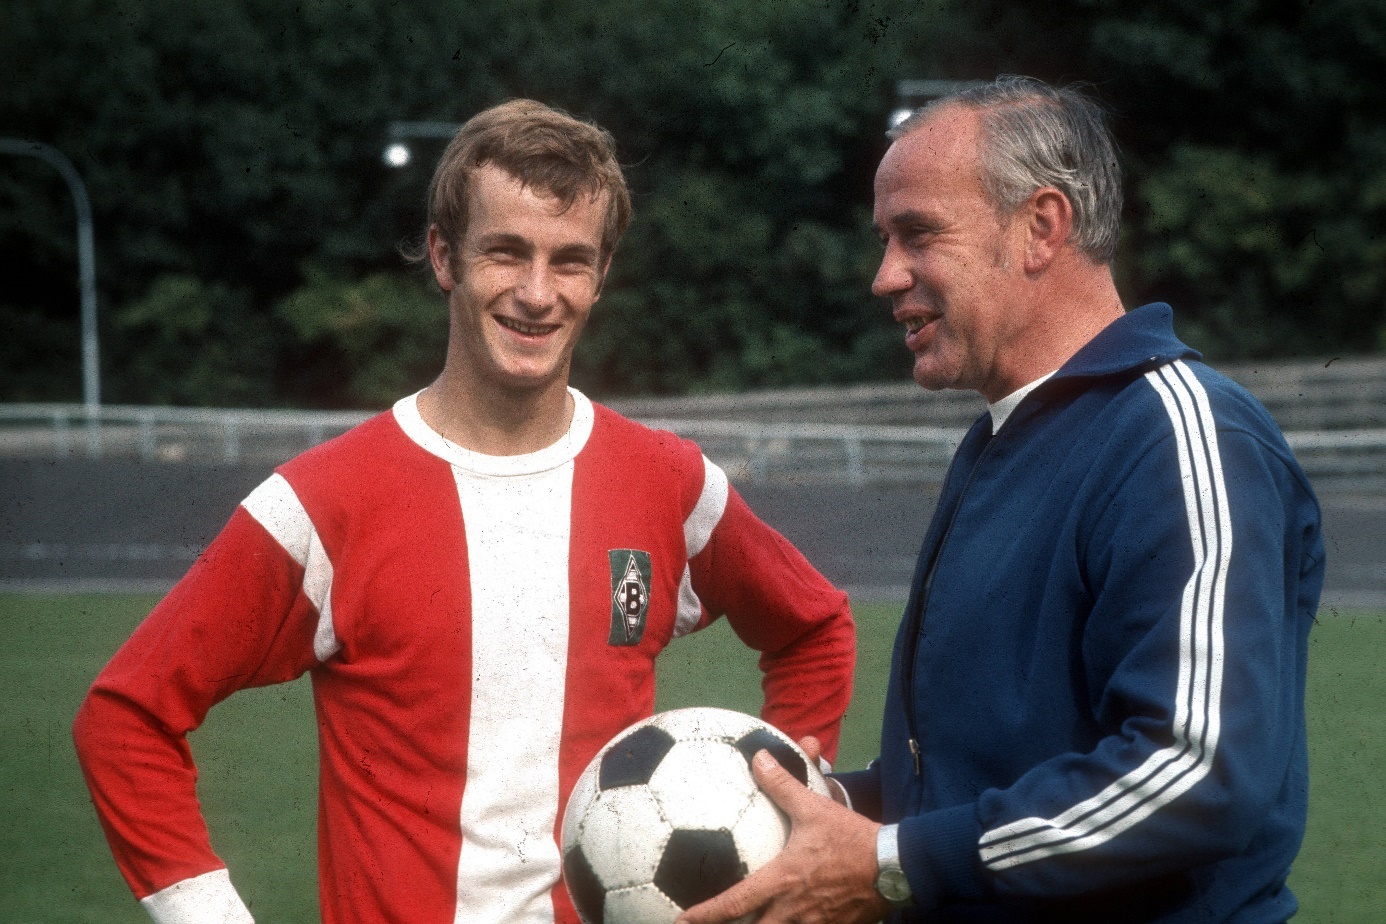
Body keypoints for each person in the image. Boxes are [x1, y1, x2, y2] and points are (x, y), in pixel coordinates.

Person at [73, 99, 856, 924]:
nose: (536, 292)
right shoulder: (327, 501)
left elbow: (813, 627)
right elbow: (127, 716)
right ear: (444, 256)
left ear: (603, 274)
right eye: (505, 253)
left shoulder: (668, 482)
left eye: (570, 260)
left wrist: (783, 813)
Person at [681, 76, 1324, 924]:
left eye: (917, 234)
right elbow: (970, 782)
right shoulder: (1000, 440)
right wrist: (811, 806)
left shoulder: (1181, 433)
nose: (884, 276)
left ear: (1041, 227)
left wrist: (887, 860)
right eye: (885, 240)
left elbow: (1197, 771)